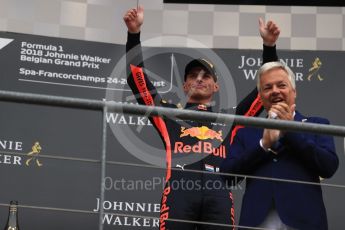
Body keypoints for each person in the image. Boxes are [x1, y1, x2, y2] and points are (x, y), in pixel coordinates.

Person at [124, 5, 280, 230]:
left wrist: (269, 47)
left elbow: (263, 93)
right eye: (193, 75)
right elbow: (137, 80)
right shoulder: (168, 115)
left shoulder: (230, 119)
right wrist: (134, 34)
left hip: (220, 192)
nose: (199, 79)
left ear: (216, 86)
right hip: (179, 190)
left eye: (206, 75)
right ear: (185, 84)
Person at [221, 61, 339, 230]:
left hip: (305, 220)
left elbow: (329, 166)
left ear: (294, 91)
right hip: (257, 222)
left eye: (281, 85)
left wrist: (290, 131)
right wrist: (263, 145)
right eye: (267, 88)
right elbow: (227, 175)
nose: (275, 91)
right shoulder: (247, 132)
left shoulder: (317, 124)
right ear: (261, 97)